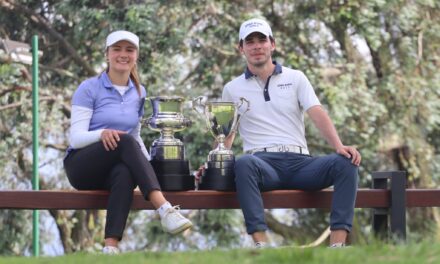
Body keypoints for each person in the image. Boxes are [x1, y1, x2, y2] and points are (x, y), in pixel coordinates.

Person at [221, 18, 361, 248]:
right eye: (250, 42)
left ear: (272, 44)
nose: (256, 46)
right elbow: (227, 134)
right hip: (262, 166)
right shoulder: (232, 88)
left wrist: (339, 146)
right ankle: (262, 244)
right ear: (241, 48)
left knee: (346, 162)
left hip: (301, 165)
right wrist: (215, 162)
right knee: (243, 162)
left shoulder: (296, 78)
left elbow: (316, 112)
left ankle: (337, 246)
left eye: (261, 40)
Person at [63, 30, 193, 254]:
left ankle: (111, 246)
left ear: (136, 55)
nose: (123, 54)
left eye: (129, 50)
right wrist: (102, 133)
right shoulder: (89, 88)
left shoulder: (140, 92)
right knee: (122, 141)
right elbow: (75, 138)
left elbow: (135, 137)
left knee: (125, 171)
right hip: (81, 166)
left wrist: (148, 168)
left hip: (113, 167)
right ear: (107, 54)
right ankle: (164, 209)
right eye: (117, 49)